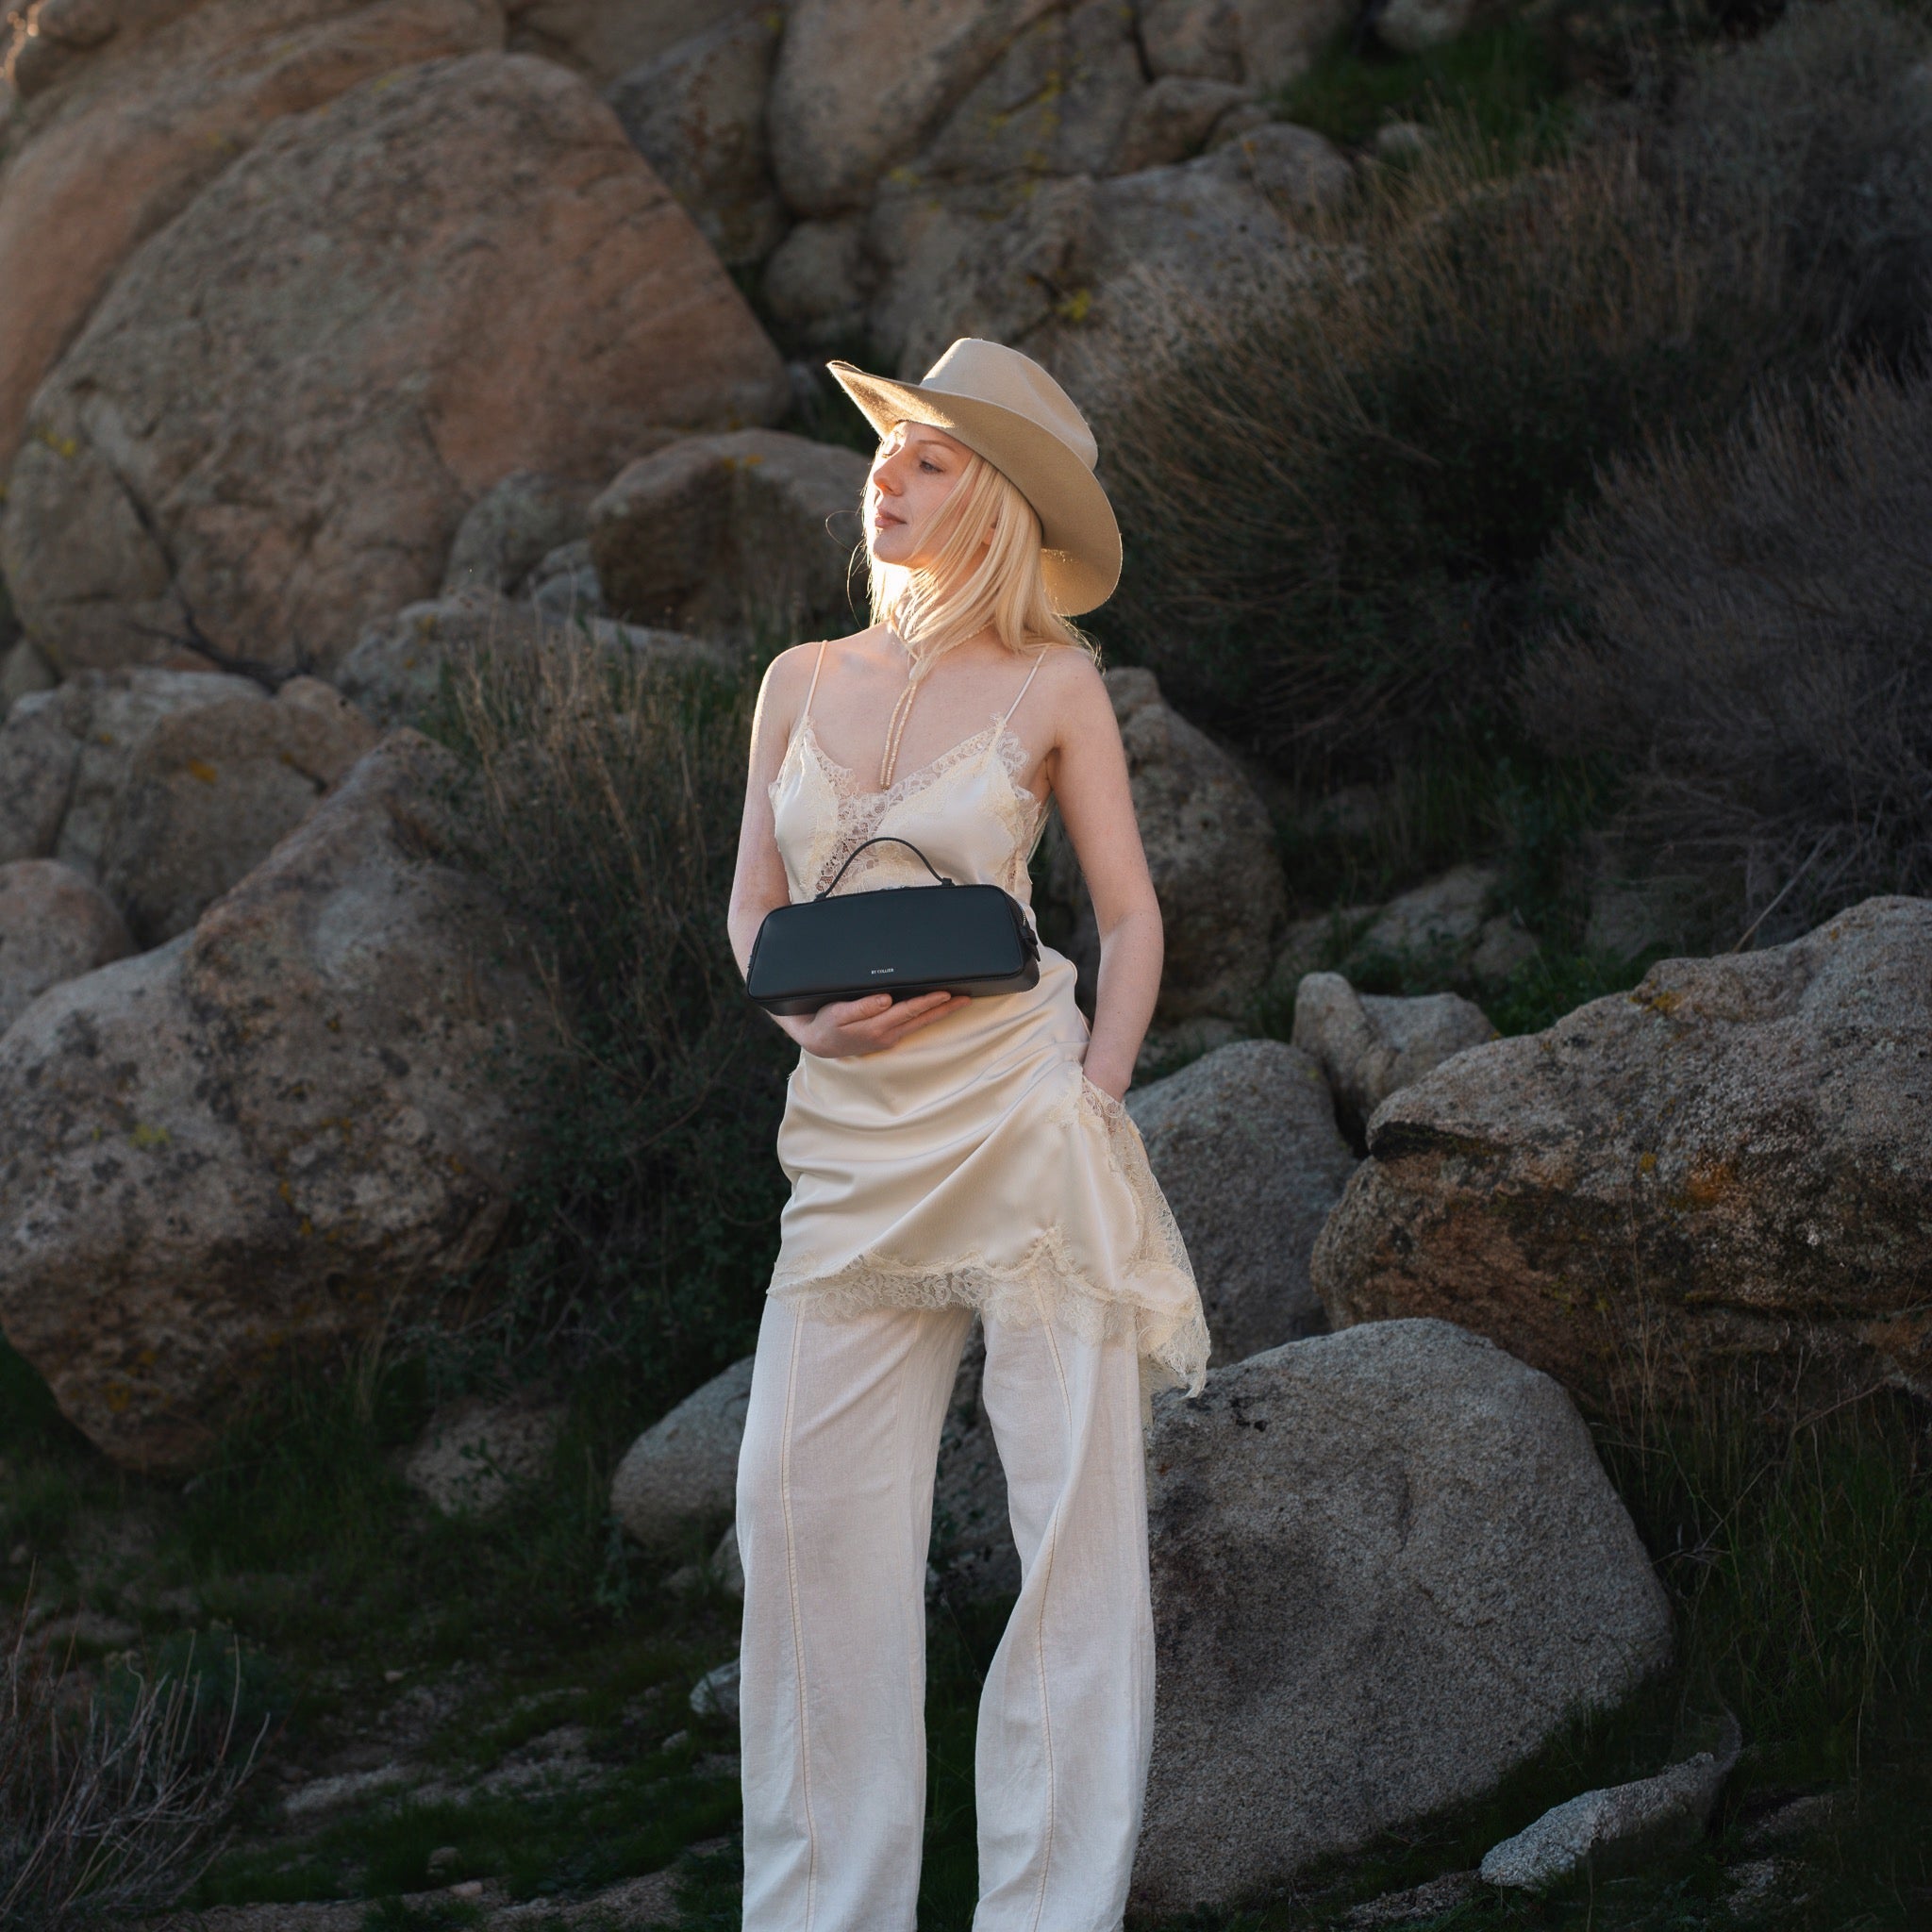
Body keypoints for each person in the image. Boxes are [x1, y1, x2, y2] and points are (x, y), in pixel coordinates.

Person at [725, 337, 1209, 1932]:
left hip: (1018, 1121)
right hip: (844, 1145)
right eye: (888, 452)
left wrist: (1095, 1094)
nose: (891, 476)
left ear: (996, 499)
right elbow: (755, 910)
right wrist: (798, 1017)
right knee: (797, 1539)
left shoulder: (1056, 683)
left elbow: (1130, 920)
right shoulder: (798, 680)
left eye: (933, 458)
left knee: (1071, 1547)